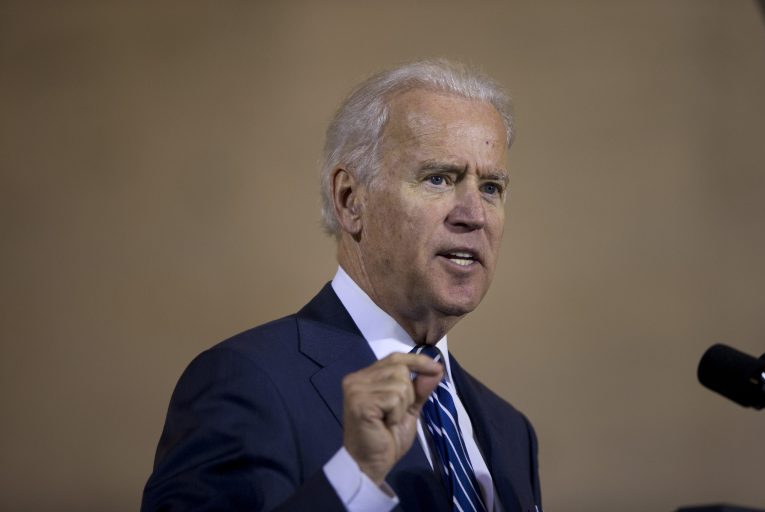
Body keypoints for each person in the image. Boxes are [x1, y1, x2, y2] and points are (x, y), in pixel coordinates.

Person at [142, 59, 542, 512]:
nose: (474, 214)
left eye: (491, 188)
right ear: (351, 200)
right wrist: (355, 478)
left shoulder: (511, 433)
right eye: (439, 178)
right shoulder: (245, 383)